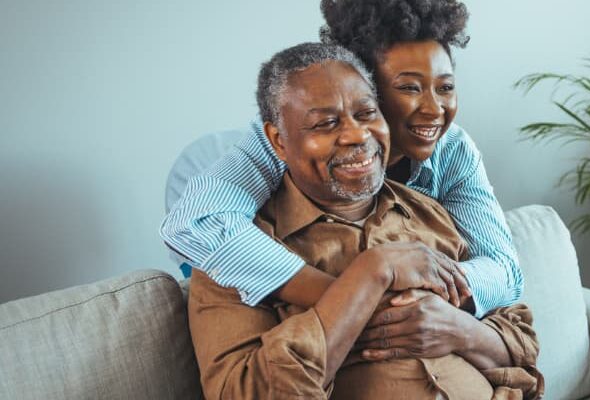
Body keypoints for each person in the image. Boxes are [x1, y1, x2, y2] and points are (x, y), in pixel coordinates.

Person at [188, 42, 541, 399]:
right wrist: (371, 274)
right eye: (326, 123)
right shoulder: (232, 259)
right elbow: (246, 393)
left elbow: (520, 345)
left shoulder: (428, 210)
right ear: (278, 141)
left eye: (367, 113)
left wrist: (456, 329)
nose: (357, 134)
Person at [160, 0, 522, 327]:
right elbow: (195, 222)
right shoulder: (285, 138)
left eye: (445, 88)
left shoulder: (454, 149)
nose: (434, 110)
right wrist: (355, 298)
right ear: (363, 85)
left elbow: (504, 271)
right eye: (410, 88)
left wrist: (422, 304)